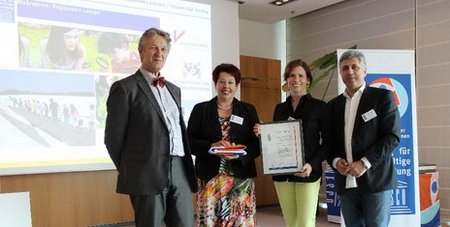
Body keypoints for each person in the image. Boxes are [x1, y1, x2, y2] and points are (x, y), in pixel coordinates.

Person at [104, 27, 197, 227]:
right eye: (153, 47)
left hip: (180, 168)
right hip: (146, 173)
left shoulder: (174, 90)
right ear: (141, 51)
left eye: (163, 49)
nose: (159, 53)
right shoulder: (124, 88)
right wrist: (134, 170)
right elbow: (113, 139)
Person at [327, 49, 401, 227]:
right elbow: (329, 142)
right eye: (345, 68)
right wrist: (336, 161)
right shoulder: (333, 105)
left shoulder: (382, 98)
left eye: (355, 67)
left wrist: (364, 162)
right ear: (341, 72)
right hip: (346, 183)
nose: (350, 72)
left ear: (364, 71)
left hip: (376, 180)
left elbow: (392, 136)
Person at [254, 59, 331, 227]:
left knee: (305, 222)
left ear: (308, 80)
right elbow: (275, 141)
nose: (296, 80)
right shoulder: (280, 108)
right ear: (287, 80)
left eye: (301, 76)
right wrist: (263, 133)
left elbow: (328, 143)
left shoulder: (320, 107)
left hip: (308, 172)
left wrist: (312, 164)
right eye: (292, 76)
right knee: (291, 222)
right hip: (282, 174)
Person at [187, 63, 261, 226]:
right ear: (215, 83)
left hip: (240, 178)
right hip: (210, 178)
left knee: (240, 221)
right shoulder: (201, 109)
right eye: (222, 81)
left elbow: (257, 145)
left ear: (237, 85)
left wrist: (241, 153)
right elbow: (189, 142)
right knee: (210, 221)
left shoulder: (248, 110)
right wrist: (211, 147)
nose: (226, 86)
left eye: (230, 82)